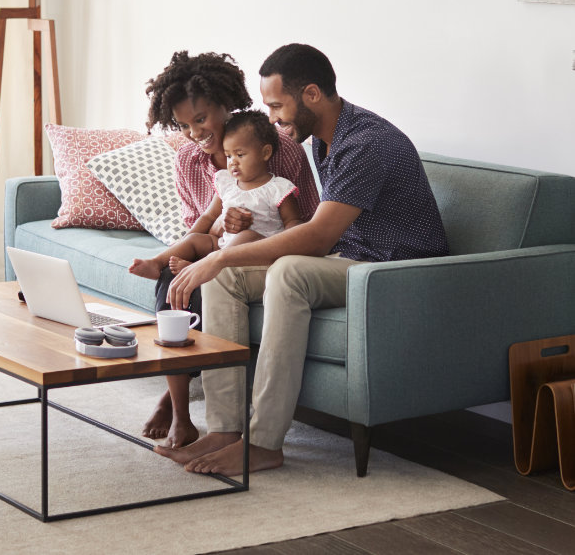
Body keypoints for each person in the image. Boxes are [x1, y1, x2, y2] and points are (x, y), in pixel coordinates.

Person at [156, 43, 450, 475]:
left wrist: (216, 258)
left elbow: (316, 236)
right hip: (352, 260)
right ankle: (225, 430)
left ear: (311, 94)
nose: (272, 118)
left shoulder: (366, 143)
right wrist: (220, 260)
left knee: (287, 271)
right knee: (224, 278)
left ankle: (264, 444)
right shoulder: (327, 141)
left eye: (277, 105)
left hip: (393, 270)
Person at [140, 51, 320, 449]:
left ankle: (177, 403)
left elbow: (303, 222)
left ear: (226, 104)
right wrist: (218, 231)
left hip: (265, 251)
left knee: (204, 278)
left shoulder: (280, 149)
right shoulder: (187, 159)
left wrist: (239, 234)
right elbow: (199, 226)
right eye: (184, 125)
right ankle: (181, 414)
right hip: (215, 246)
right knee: (173, 279)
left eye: (201, 120)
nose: (194, 134)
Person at [130, 110, 302, 282]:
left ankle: (199, 267)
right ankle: (156, 262)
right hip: (223, 245)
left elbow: (293, 223)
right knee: (195, 239)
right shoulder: (226, 182)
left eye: (240, 155)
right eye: (228, 155)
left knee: (247, 236)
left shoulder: (278, 188)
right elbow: (209, 216)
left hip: (258, 250)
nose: (232, 162)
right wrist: (188, 240)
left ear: (265, 153)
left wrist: (285, 249)